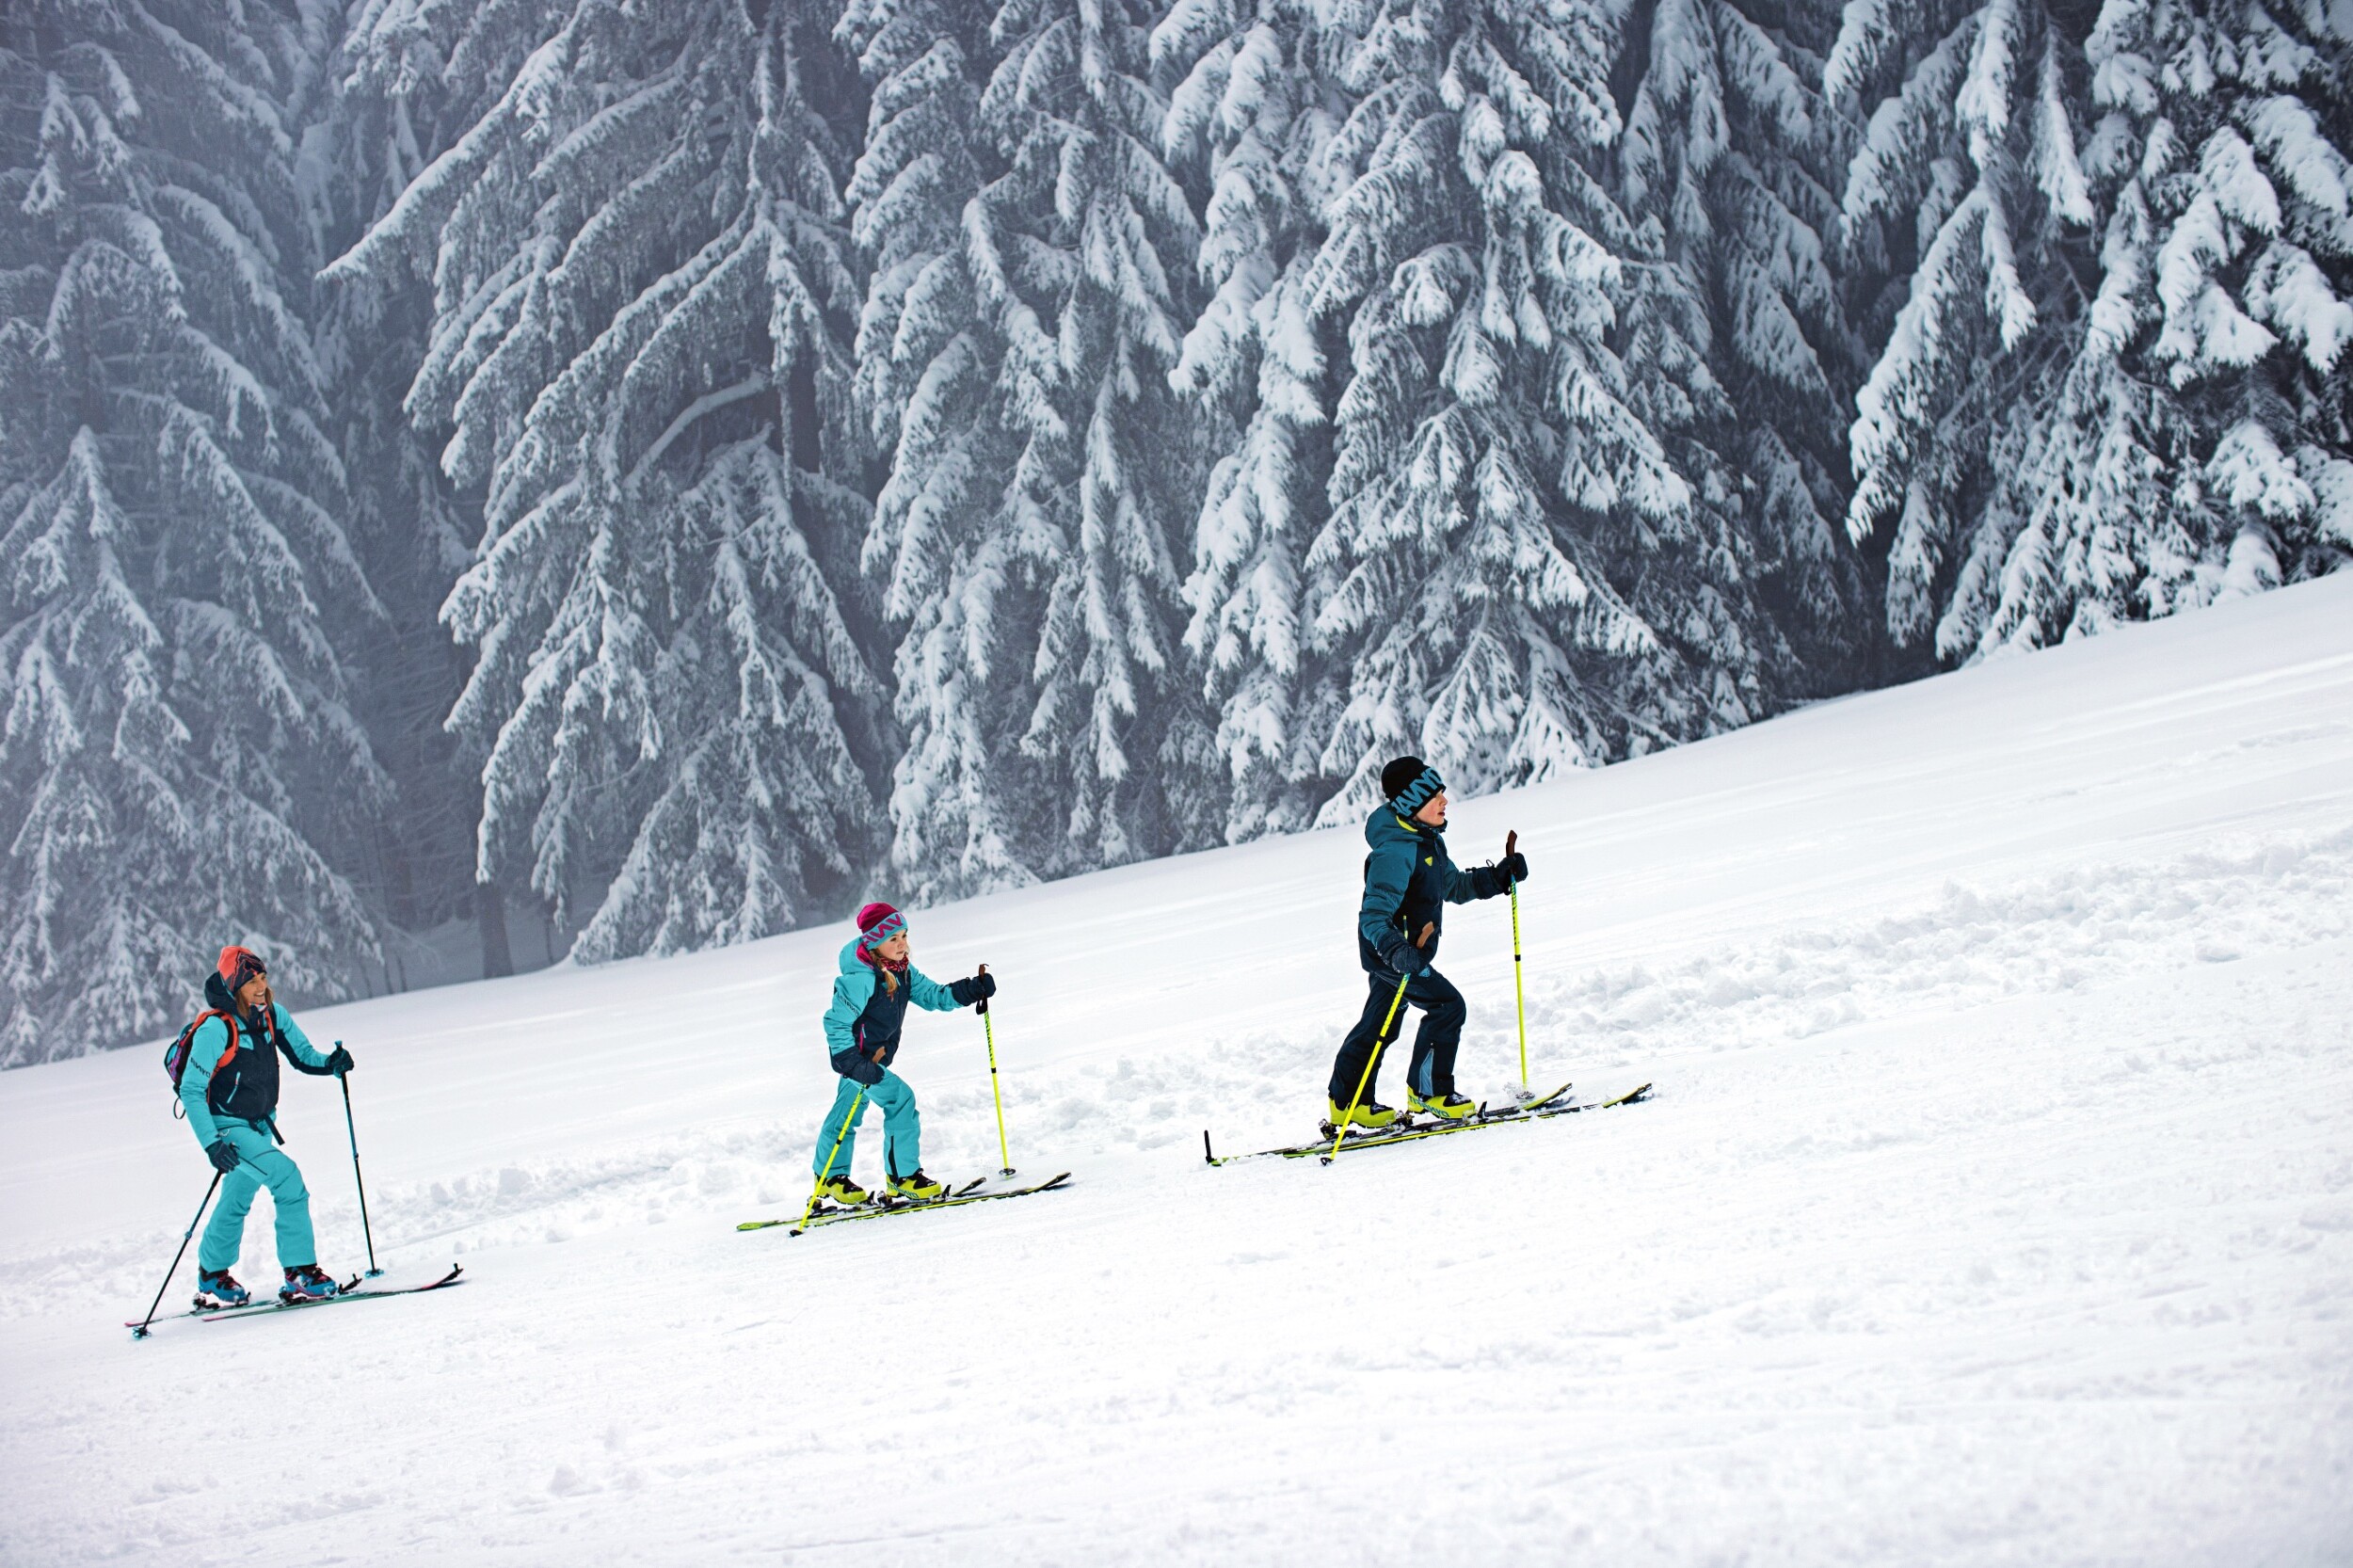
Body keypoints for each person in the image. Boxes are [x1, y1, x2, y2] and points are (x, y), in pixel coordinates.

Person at [1327, 757, 1529, 1128]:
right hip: (1394, 954)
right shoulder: (1395, 852)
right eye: (1433, 796)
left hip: (1402, 953)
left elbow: (1453, 886)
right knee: (1447, 1006)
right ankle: (1429, 1092)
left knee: (1380, 1023)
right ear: (1410, 803)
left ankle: (1347, 1102)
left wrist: (1497, 878)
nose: (1444, 801)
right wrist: (1396, 951)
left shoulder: (1427, 842)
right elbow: (1373, 916)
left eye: (1441, 793)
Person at [178, 947, 356, 1305]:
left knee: (237, 1197)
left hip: (259, 1125)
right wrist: (211, 1143)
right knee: (287, 1179)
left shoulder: (272, 1014)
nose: (261, 987)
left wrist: (332, 1063)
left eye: (263, 978)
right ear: (233, 987)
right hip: (226, 1129)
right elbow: (191, 1090)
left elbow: (303, 1056)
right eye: (251, 982)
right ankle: (300, 1271)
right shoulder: (216, 1029)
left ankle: (211, 1273)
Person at [811, 903, 995, 1204]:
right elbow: (836, 1023)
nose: (902, 944)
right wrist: (851, 1063)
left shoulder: (903, 971)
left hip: (870, 1061)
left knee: (845, 1114)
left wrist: (970, 990)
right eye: (893, 938)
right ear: (874, 943)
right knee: (900, 1099)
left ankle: (828, 1179)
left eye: (904, 936)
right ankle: (902, 1177)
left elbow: (934, 995)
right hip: (859, 1062)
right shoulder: (861, 978)